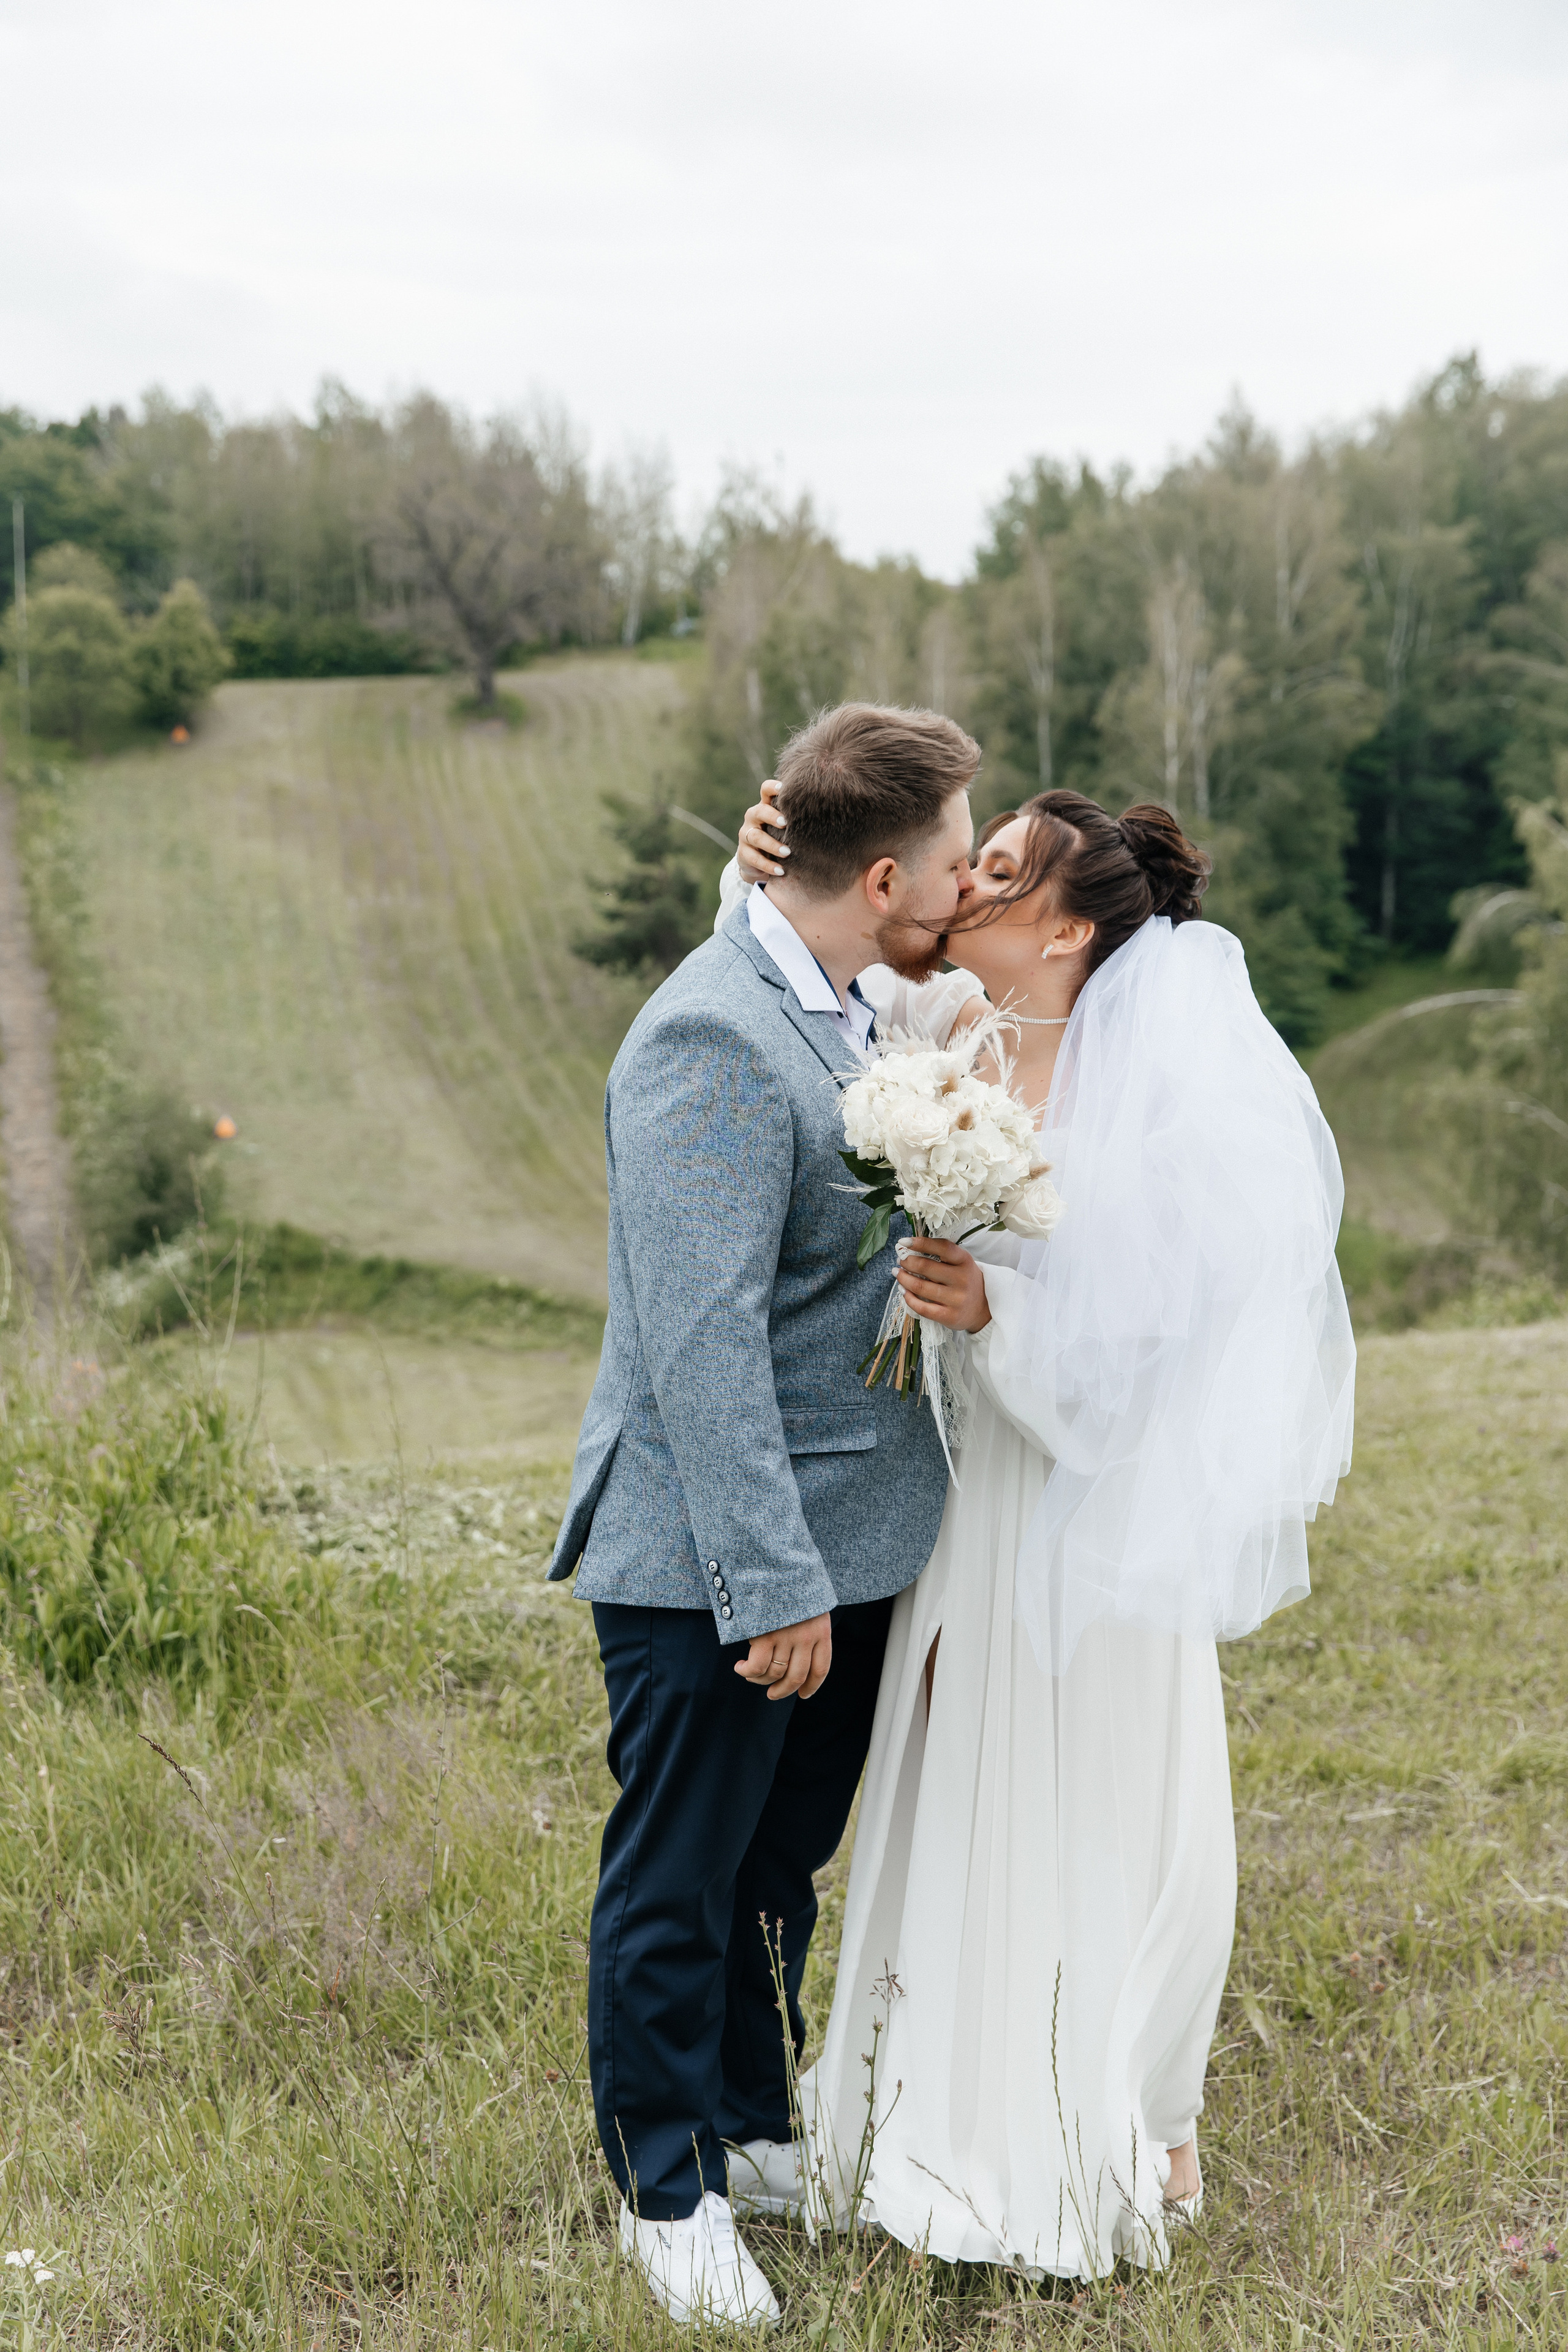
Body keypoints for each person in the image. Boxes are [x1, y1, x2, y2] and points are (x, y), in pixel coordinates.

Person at [722, 783, 1355, 2277]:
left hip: (1084, 1507)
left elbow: (1154, 1348)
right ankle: (921, 2105)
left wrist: (996, 1307)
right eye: (973, 857)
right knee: (951, 1780)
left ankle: (1120, 2112)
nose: (965, 880)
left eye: (998, 870)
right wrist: (758, 870)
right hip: (970, 1501)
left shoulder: (1156, 1098)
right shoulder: (947, 1036)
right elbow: (804, 982)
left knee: (1100, 1799)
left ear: (1065, 926)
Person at [549, 703, 982, 2328]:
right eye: (953, 859)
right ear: (883, 877)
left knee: (769, 1867)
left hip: (842, 1548)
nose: (961, 883)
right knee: (681, 1873)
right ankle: (666, 2193)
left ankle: (740, 2121)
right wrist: (765, 1588)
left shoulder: (847, 1001)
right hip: (716, 1564)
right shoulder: (711, 1038)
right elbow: (702, 1336)